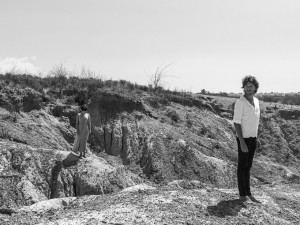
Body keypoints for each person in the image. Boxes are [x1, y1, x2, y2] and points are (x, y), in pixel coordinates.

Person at [233, 75, 261, 203]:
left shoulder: (256, 101)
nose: (248, 88)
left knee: (248, 166)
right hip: (243, 139)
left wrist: (256, 137)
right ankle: (242, 194)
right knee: (242, 166)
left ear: (255, 87)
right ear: (243, 87)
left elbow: (255, 121)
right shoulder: (240, 102)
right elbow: (236, 123)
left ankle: (248, 192)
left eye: (251, 85)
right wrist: (242, 142)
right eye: (246, 85)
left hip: (253, 138)